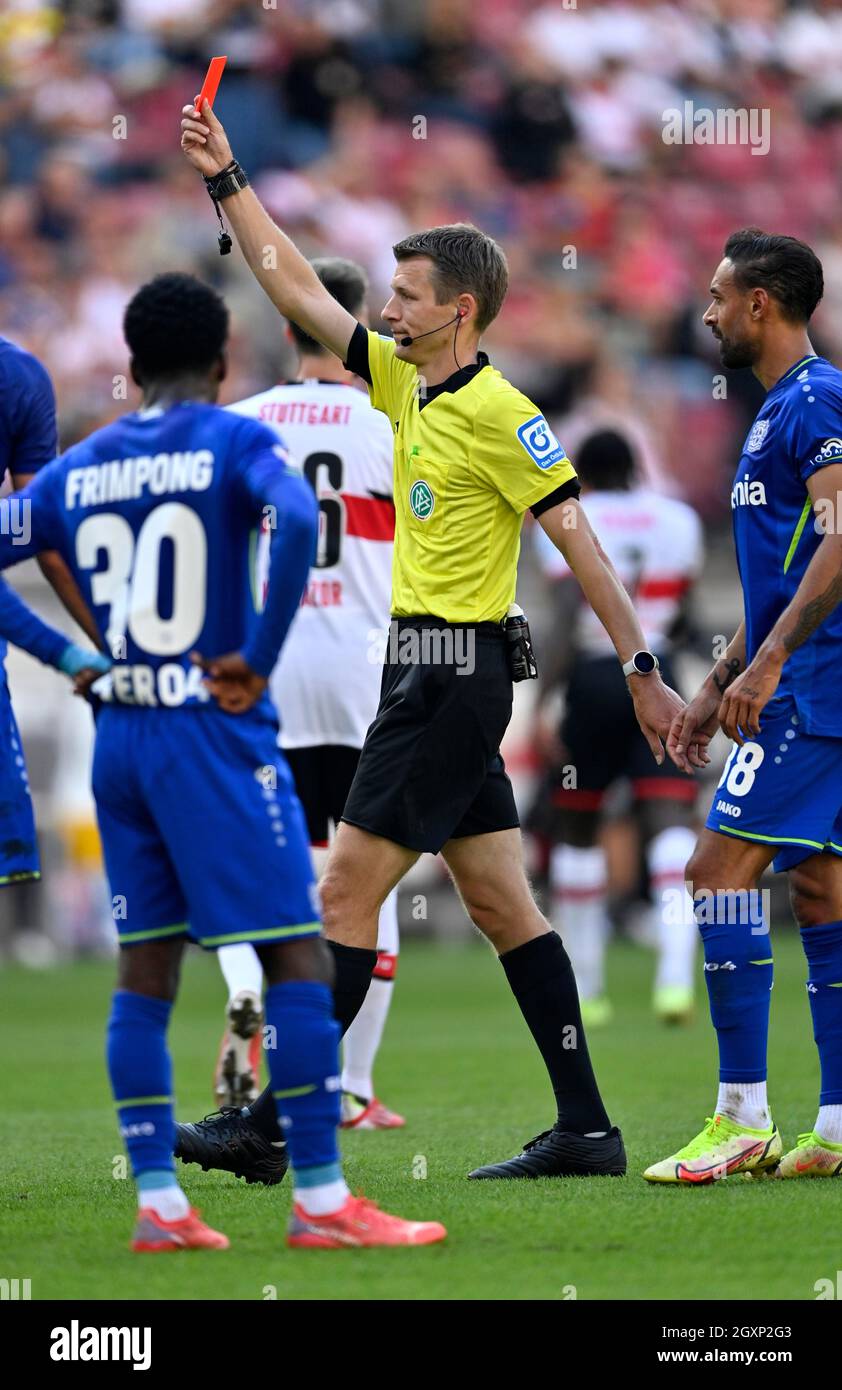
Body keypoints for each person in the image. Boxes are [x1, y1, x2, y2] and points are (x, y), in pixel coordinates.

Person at [177, 96, 684, 1185]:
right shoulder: (406, 382)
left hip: (448, 679)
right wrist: (227, 179)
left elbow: (579, 545)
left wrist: (641, 668)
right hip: (426, 675)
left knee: (343, 895)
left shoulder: (503, 413)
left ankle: (273, 1126)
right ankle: (587, 1129)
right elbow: (292, 285)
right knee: (505, 903)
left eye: (403, 293)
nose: (385, 306)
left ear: (456, 309)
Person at [0, 272, 446, 1250]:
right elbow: (292, 520)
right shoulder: (239, 438)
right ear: (221, 363)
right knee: (297, 946)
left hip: (123, 737)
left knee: (147, 966)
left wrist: (74, 658)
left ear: (128, 365)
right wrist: (257, 647)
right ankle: (322, 1201)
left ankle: (159, 1204)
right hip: (213, 729)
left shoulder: (80, 466)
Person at [646, 229, 842, 1184]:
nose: (709, 310)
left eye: (721, 295)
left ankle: (742, 1118)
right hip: (801, 680)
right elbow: (783, 576)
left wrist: (764, 670)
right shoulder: (775, 414)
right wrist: (718, 682)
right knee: (819, 891)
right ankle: (838, 1125)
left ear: (762, 303)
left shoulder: (818, 401)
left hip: (812, 689)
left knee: (715, 870)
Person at [212, 255, 404, 1129]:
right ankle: (354, 1088)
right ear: (354, 324)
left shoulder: (238, 427)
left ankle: (250, 993)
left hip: (268, 673)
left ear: (287, 327)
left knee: (269, 870)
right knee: (370, 879)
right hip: (369, 677)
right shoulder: (393, 422)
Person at [532, 428, 703, 1026]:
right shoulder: (677, 520)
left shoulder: (570, 517)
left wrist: (544, 699)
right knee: (669, 819)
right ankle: (676, 981)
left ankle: (588, 987)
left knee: (578, 825)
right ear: (635, 467)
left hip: (594, 678)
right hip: (659, 675)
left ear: (586, 473)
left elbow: (566, 615)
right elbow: (685, 613)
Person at [0, 334, 107, 887]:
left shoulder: (17, 376)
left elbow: (42, 529)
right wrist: (82, 652)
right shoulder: (18, 374)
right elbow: (45, 530)